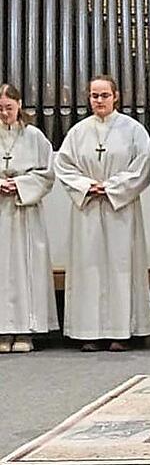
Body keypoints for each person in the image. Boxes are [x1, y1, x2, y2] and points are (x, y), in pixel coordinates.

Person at [53, 75, 150, 352]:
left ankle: (122, 332)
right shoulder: (77, 132)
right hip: (88, 209)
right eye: (94, 96)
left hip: (119, 208)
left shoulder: (133, 130)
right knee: (89, 268)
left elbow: (142, 166)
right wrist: (87, 186)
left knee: (121, 267)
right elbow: (64, 166)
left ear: (116, 96)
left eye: (104, 95)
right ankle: (89, 332)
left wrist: (111, 187)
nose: (99, 100)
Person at [0, 84, 57, 353]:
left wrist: (20, 184)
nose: (4, 114)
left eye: (8, 108)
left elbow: (47, 173)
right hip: (1, 210)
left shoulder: (34, 136)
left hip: (25, 211)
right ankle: (2, 330)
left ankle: (25, 331)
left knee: (25, 268)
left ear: (19, 105)